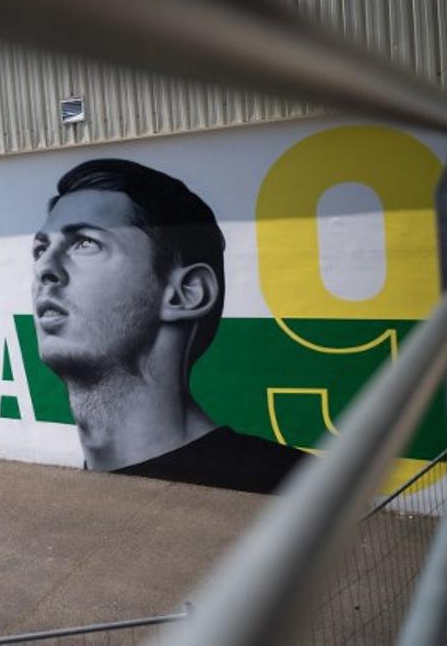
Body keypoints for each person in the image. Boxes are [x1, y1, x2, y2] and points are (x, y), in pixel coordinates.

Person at [32, 158, 303, 494]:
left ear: (186, 294)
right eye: (41, 249)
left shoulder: (297, 487)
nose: (44, 267)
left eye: (86, 243)